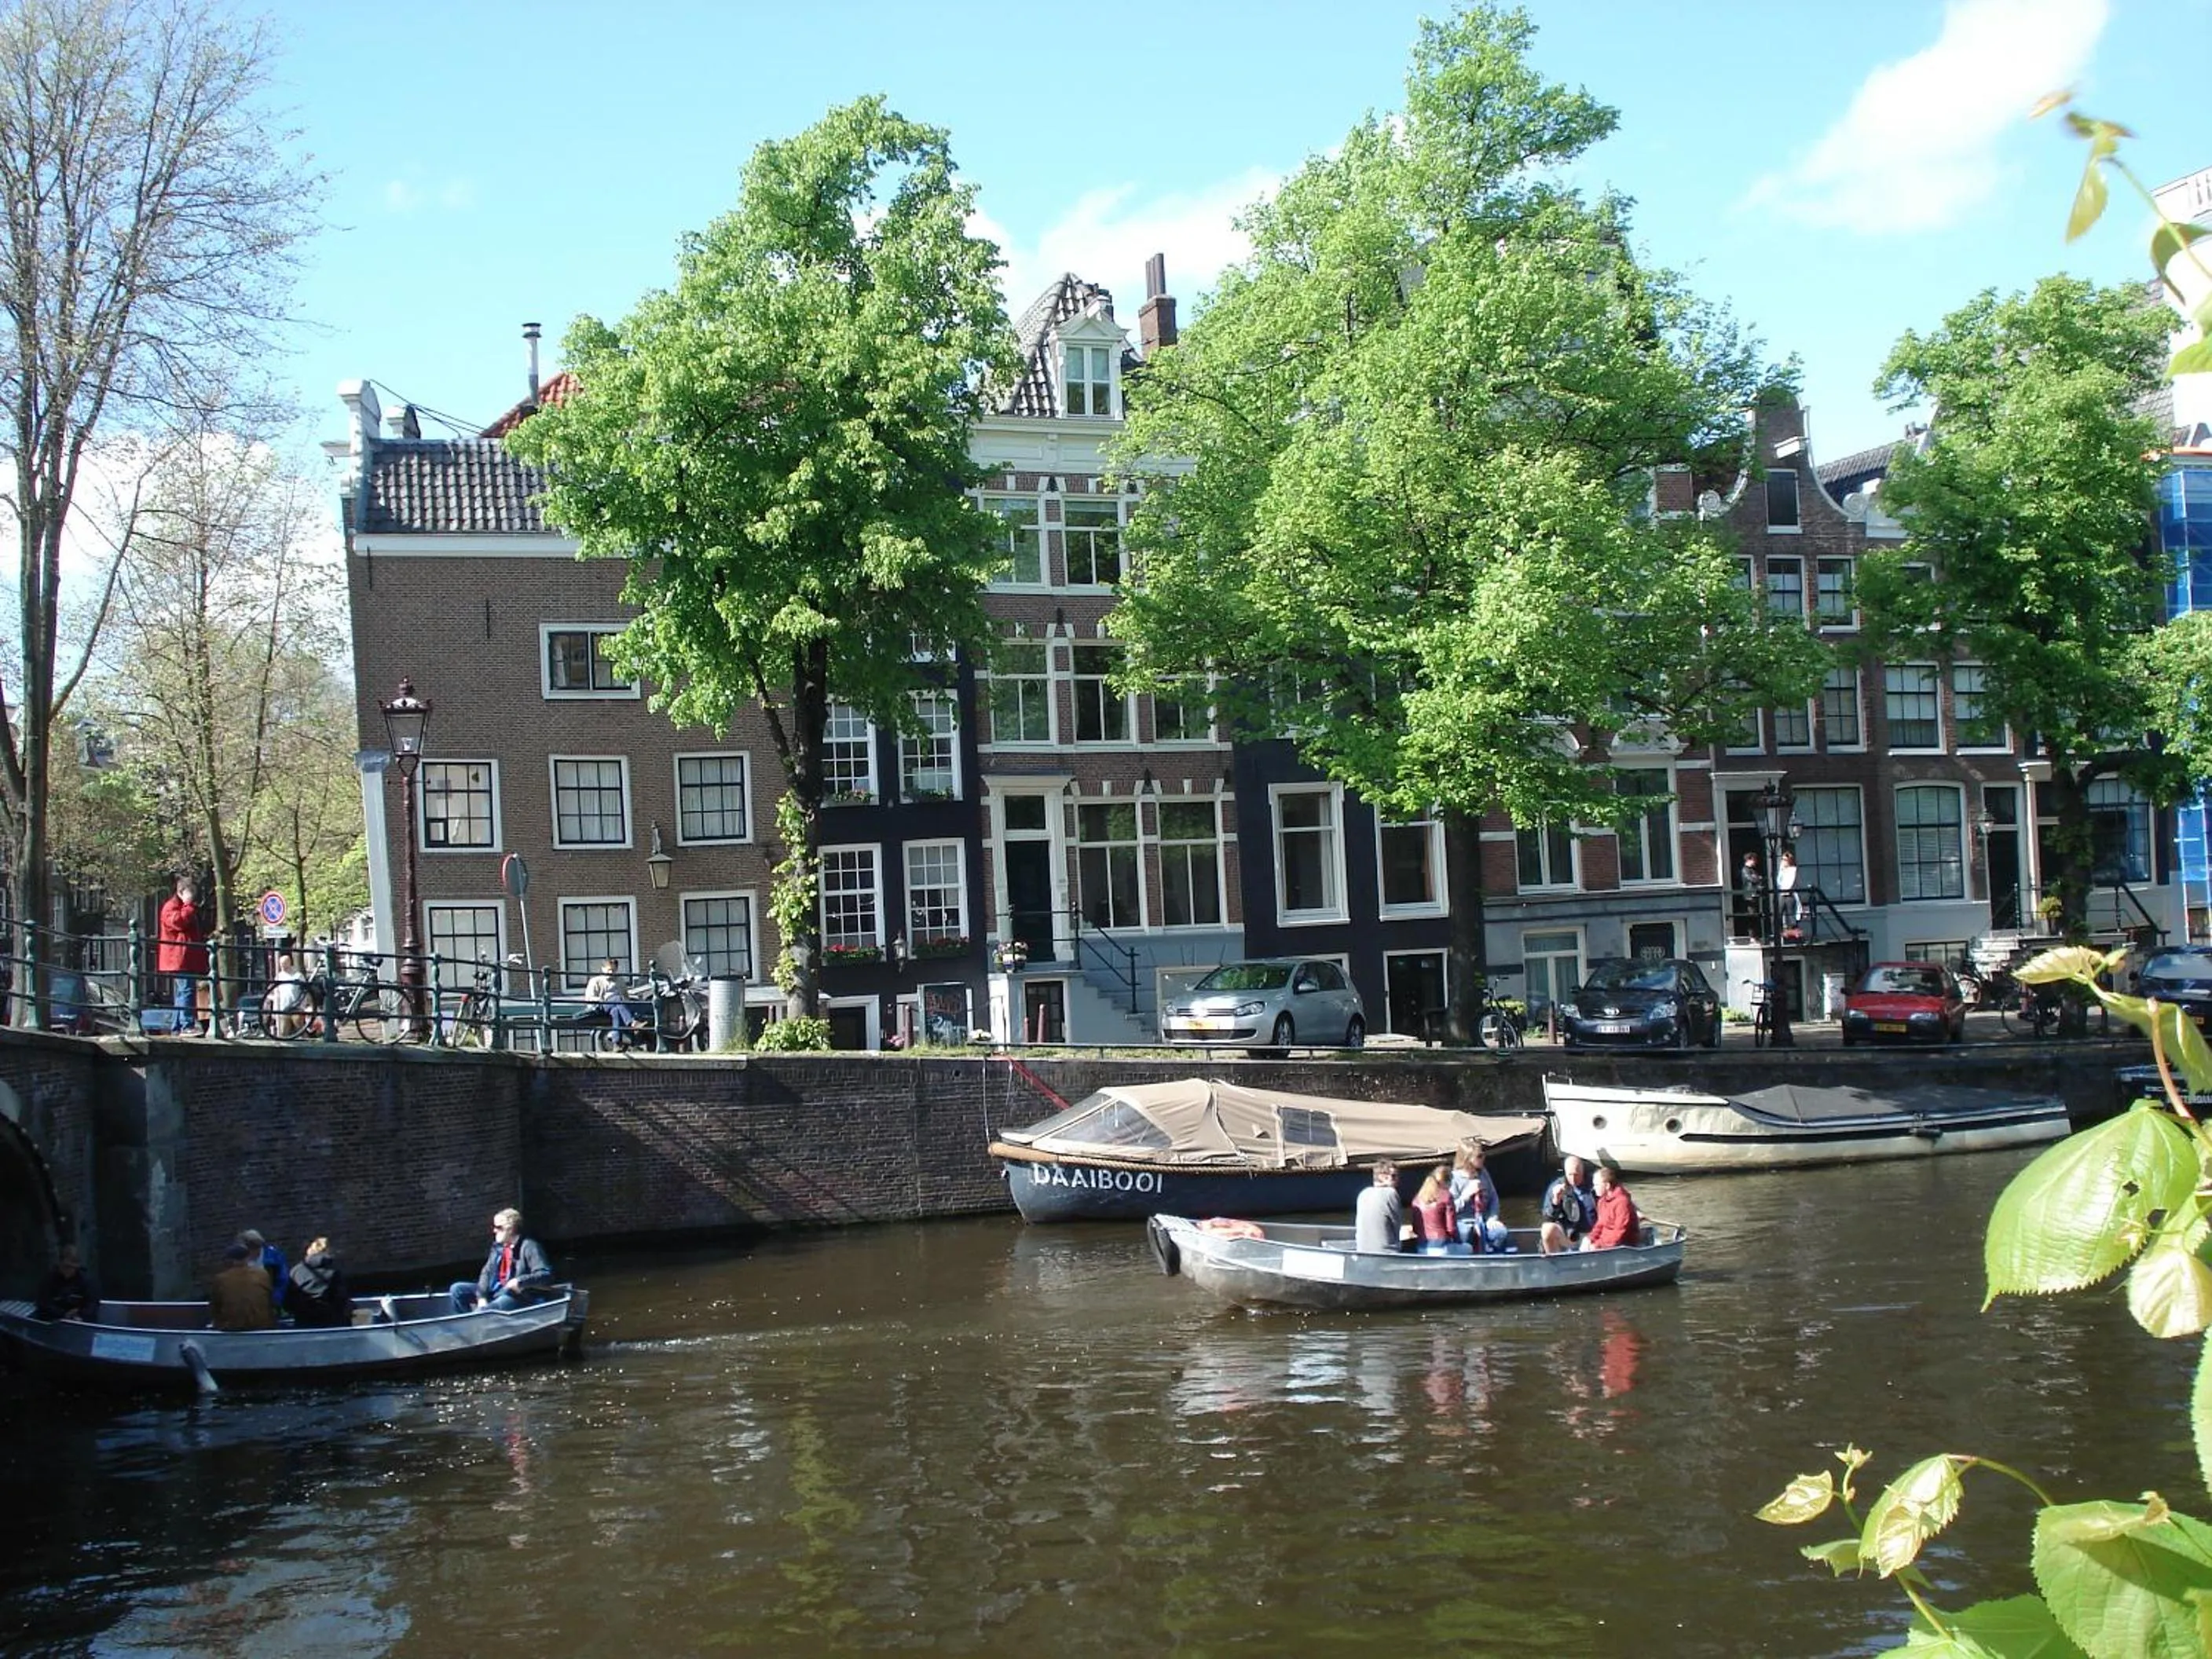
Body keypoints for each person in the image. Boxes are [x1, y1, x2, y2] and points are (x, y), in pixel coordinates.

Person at [450, 1207, 553, 1313]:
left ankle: (479, 1322)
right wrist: (482, 1297)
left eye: (498, 1227)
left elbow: (545, 1274)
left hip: (517, 1295)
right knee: (457, 1289)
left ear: (511, 1229)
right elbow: (487, 1272)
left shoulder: (530, 1247)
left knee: (486, 1311)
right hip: (497, 1291)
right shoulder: (498, 1247)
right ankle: (467, 1321)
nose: (494, 1230)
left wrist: (520, 1281)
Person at [156, 875, 210, 1035]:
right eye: (191, 891)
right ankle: (187, 1025)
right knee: (186, 990)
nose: (193, 895)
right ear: (182, 892)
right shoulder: (171, 907)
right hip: (179, 957)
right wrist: (188, 906)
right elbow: (178, 922)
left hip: (185, 957)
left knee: (182, 992)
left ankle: (177, 1026)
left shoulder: (184, 907)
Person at [1451, 1141, 1512, 1253]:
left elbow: (1494, 1199)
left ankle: (1495, 1260)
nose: (1483, 1158)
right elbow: (1451, 1209)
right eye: (1479, 1156)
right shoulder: (1454, 1179)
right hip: (1463, 1221)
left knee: (1500, 1233)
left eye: (1483, 1155)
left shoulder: (1483, 1174)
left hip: (1483, 1219)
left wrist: (1492, 1218)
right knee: (1466, 1234)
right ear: (1467, 1159)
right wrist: (1466, 1195)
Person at [208, 1242, 276, 1331]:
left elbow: (215, 1307)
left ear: (229, 1260)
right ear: (248, 1258)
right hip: (263, 1326)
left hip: (232, 1327)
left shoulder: (221, 1279)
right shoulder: (262, 1275)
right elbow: (270, 1300)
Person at [287, 1237, 354, 1328]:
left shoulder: (296, 1271)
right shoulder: (334, 1271)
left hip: (303, 1322)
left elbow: (289, 1299)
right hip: (331, 1322)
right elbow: (341, 1298)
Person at [1539, 1155, 1597, 1254]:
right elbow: (1548, 1219)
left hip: (1594, 1233)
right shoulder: (1557, 1186)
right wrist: (1556, 1201)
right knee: (1547, 1229)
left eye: (1576, 1175)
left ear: (1583, 1171)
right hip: (1570, 1234)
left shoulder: (1595, 1185)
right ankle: (1555, 1264)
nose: (1573, 1179)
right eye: (1570, 1175)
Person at [33, 1243, 101, 1322]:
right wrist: (63, 1314)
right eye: (66, 1267)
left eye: (73, 1268)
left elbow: (93, 1304)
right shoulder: (49, 1280)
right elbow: (43, 1303)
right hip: (55, 1321)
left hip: (80, 1321)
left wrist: (80, 1313)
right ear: (60, 1263)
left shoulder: (88, 1281)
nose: (69, 1270)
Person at [1584, 1165, 1643, 1251]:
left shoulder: (1622, 1202)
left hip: (1624, 1246)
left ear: (1607, 1186)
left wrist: (1598, 1245)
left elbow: (1619, 1232)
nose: (1594, 1188)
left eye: (1596, 1185)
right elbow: (1600, 1224)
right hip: (1605, 1243)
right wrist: (1590, 1238)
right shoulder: (1602, 1201)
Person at [1353, 1159, 1404, 1254]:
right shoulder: (1391, 1193)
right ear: (1381, 1177)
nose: (1397, 1179)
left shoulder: (1363, 1193)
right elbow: (1397, 1224)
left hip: (1362, 1250)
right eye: (1393, 1176)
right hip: (1387, 1251)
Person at [1411, 1163, 1461, 1254]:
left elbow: (1415, 1229)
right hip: (1441, 1246)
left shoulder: (1417, 1199)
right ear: (1447, 1182)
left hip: (1421, 1248)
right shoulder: (1446, 1196)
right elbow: (1451, 1229)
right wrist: (1459, 1241)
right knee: (1468, 1248)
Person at [584, 957, 635, 1045]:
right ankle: (631, 1022)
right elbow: (589, 998)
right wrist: (602, 1000)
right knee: (617, 998)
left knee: (616, 1011)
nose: (611, 972)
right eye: (609, 970)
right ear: (603, 969)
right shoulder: (595, 981)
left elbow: (626, 996)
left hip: (617, 1006)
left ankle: (617, 1042)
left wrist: (624, 999)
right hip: (600, 1006)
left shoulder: (620, 981)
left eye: (614, 970)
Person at [240, 1229, 288, 1313]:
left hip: (271, 1302)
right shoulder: (240, 1259)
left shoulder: (274, 1257)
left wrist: (276, 1300)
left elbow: (282, 1280)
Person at [264, 951, 310, 1037]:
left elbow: (305, 992)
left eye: (284, 964)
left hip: (296, 1008)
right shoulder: (279, 976)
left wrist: (303, 1006)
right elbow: (274, 992)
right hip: (283, 1009)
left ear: (289, 963)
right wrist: (275, 1006)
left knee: (301, 1029)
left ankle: (307, 1044)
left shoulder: (298, 976)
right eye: (281, 964)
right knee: (283, 1032)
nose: (282, 966)